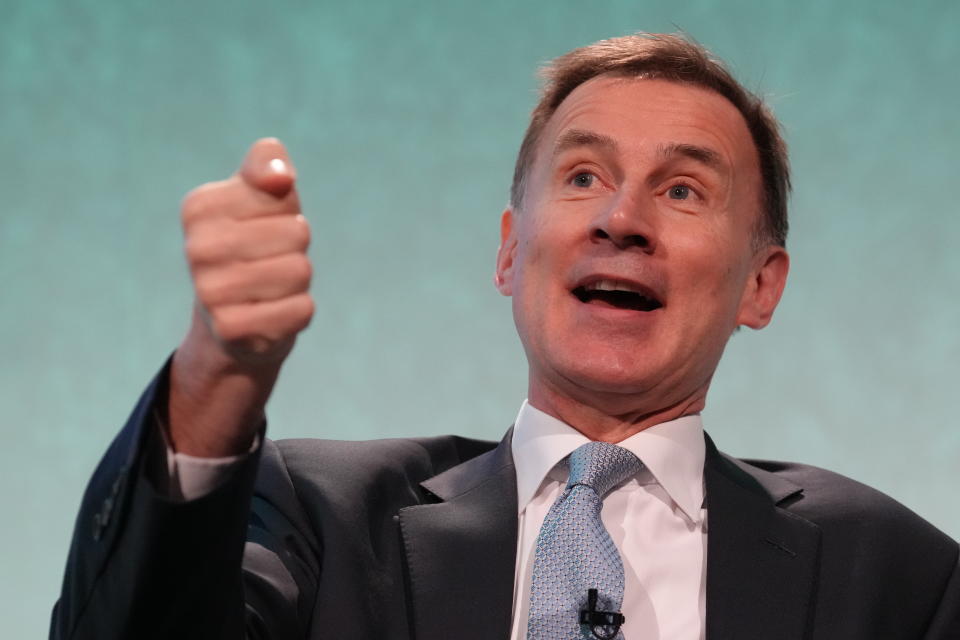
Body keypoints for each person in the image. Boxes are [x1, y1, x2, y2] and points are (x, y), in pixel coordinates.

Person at [51, 33, 959, 640]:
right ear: (509, 249)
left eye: (683, 190)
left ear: (761, 285)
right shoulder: (324, 519)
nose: (621, 217)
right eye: (582, 175)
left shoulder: (893, 576)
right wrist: (214, 377)